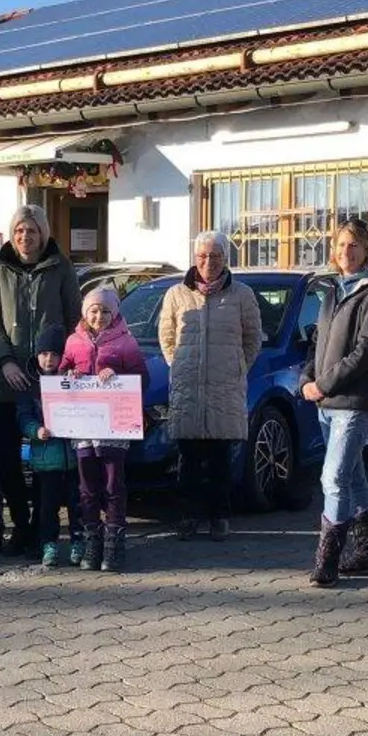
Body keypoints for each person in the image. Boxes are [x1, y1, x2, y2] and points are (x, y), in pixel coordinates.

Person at [299, 219, 368, 588]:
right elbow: (317, 342)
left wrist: (324, 383)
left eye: (354, 245)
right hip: (326, 400)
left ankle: (328, 561)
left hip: (355, 401)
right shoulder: (333, 290)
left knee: (333, 477)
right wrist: (307, 378)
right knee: (353, 476)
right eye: (341, 245)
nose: (346, 252)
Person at [0, 204, 82, 557]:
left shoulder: (61, 268)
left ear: (44, 233)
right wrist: (6, 361)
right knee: (6, 461)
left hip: (48, 383)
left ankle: (45, 529)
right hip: (6, 381)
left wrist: (65, 363)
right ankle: (21, 526)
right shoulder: (0, 269)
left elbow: (75, 320)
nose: (26, 237)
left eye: (33, 231)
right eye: (20, 231)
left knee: (47, 459)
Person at [158, 230, 263, 542]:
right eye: (202, 256)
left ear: (225, 259)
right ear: (194, 259)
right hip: (189, 387)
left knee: (220, 460)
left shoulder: (241, 295)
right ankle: (188, 518)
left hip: (223, 387)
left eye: (215, 256)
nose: (208, 262)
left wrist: (237, 365)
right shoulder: (176, 294)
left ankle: (220, 517)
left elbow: (253, 337)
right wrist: (179, 365)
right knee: (188, 460)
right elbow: (166, 335)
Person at [60, 286, 148, 572]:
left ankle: (114, 541)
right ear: (86, 313)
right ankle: (91, 540)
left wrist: (119, 376)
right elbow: (61, 373)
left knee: (113, 484)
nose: (99, 316)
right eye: (94, 311)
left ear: (115, 313)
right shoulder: (74, 341)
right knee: (87, 486)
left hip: (113, 427)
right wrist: (70, 375)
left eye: (105, 311)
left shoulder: (126, 342)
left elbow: (142, 379)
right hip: (84, 426)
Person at [20, 324, 81, 568]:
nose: (49, 359)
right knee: (47, 508)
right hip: (46, 460)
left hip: (74, 458)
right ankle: (49, 544)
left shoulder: (73, 380)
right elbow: (23, 417)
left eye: (55, 354)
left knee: (78, 505)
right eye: (44, 354)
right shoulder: (30, 386)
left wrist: (77, 382)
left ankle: (79, 542)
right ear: (37, 356)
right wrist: (36, 430)